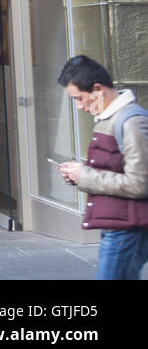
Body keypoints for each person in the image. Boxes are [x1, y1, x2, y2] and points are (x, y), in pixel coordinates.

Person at [57, 55, 148, 279]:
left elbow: (140, 183)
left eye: (79, 98)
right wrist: (79, 174)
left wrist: (85, 175)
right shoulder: (109, 119)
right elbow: (116, 167)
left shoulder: (131, 121)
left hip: (128, 230)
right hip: (120, 225)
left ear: (97, 89)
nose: (79, 107)